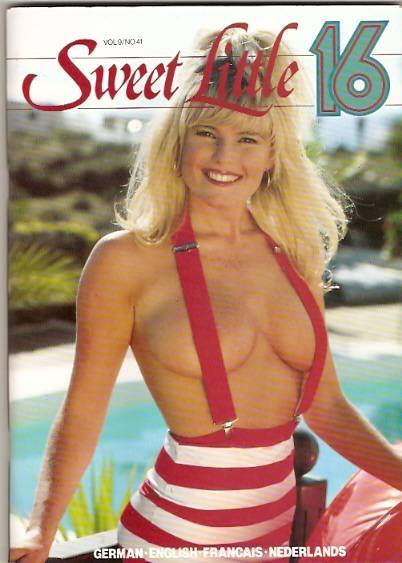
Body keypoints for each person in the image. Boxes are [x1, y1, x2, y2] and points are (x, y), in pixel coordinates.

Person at [10, 25, 402, 563]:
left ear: (273, 154)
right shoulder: (126, 260)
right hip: (169, 543)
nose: (224, 156)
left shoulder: (295, 253)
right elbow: (83, 411)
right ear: (179, 141)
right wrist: (40, 529)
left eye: (248, 139)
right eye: (207, 132)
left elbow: (327, 406)